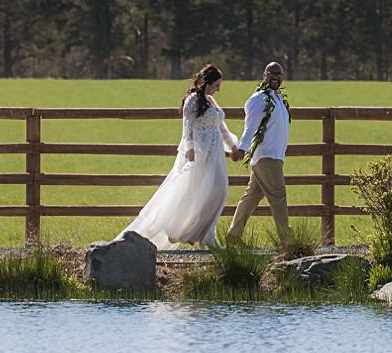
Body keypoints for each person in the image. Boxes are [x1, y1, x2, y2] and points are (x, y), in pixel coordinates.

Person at [122, 64, 240, 248]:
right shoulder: (193, 100)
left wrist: (233, 146)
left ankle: (206, 234)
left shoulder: (211, 102)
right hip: (201, 151)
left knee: (219, 191)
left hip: (215, 152)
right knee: (194, 193)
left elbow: (221, 126)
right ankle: (180, 231)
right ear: (208, 82)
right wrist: (190, 148)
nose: (219, 88)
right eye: (217, 84)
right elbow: (187, 126)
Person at [227, 60, 291, 242]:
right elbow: (251, 127)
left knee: (252, 196)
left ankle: (234, 235)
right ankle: (287, 241)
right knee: (278, 196)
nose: (275, 77)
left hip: (274, 156)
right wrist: (242, 148)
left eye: (278, 73)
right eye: (271, 73)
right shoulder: (259, 99)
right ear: (264, 76)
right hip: (266, 156)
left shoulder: (277, 98)